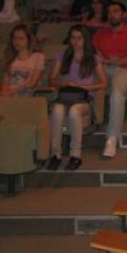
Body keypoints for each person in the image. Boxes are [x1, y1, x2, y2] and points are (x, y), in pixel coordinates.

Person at [46, 25, 107, 171]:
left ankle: (75, 155)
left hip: (84, 99)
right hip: (65, 96)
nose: (75, 41)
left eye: (79, 38)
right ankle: (55, 155)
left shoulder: (93, 57)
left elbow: (103, 83)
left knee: (74, 111)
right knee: (57, 111)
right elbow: (51, 80)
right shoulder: (62, 56)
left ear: (85, 39)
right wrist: (64, 83)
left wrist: (84, 87)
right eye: (73, 38)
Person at [93, 2, 127, 159]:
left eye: (115, 11)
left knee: (116, 94)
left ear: (124, 14)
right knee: (84, 81)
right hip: (104, 69)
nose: (111, 14)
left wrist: (109, 60)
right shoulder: (100, 33)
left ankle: (112, 138)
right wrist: (107, 61)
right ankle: (89, 122)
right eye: (109, 12)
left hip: (126, 70)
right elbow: (96, 55)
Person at [0, 24, 44, 96]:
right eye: (14, 39)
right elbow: (5, 82)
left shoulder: (38, 56)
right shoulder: (10, 57)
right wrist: (4, 91)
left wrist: (13, 91)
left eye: (21, 39)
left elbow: (33, 83)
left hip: (26, 92)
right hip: (10, 93)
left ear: (28, 40)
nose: (17, 42)